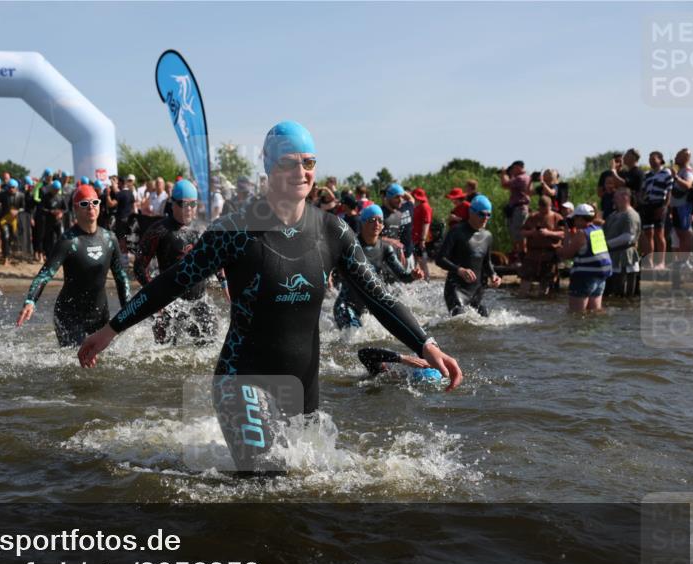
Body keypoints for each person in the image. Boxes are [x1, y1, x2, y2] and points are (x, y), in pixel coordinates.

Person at [78, 121, 461, 474]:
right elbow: (172, 282)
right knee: (267, 481)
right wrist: (112, 329)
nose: (301, 172)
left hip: (303, 386)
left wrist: (425, 344)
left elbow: (377, 296)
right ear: (269, 168)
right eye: (289, 163)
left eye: (308, 162)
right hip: (241, 380)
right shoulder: (234, 230)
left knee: (302, 485)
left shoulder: (333, 231)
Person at [16, 185, 130, 347]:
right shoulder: (67, 241)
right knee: (74, 363)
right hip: (69, 316)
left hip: (99, 315)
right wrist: (30, 301)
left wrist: (129, 311)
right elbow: (44, 275)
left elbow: (121, 277)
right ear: (75, 209)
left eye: (95, 202)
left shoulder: (109, 238)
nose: (91, 207)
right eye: (84, 204)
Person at [134, 179, 221, 346]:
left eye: (192, 204)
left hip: (199, 302)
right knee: (165, 353)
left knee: (211, 347)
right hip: (170, 304)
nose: (188, 209)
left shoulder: (202, 229)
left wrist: (224, 284)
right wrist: (156, 298)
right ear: (172, 204)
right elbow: (139, 267)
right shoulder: (158, 230)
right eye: (183, 204)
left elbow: (217, 260)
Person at [333, 204, 423, 329]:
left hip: (371, 308)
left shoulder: (386, 248)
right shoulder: (350, 246)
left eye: (380, 220)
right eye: (372, 220)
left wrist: (413, 275)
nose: (376, 224)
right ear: (363, 222)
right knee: (355, 336)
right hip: (347, 305)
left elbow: (402, 276)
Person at [436, 194, 502, 317]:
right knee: (460, 322)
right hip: (456, 290)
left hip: (477, 291)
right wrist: (459, 270)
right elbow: (440, 259)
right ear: (471, 213)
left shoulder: (487, 236)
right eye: (482, 214)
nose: (485, 218)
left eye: (489, 214)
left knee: (485, 321)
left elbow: (486, 262)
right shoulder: (456, 231)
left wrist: (494, 275)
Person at [557, 203, 612, 313]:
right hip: (600, 277)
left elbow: (567, 254)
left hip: (584, 277)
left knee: (576, 315)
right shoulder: (597, 230)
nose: (573, 221)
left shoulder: (581, 233)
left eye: (575, 218)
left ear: (580, 218)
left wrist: (565, 236)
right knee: (594, 313)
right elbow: (587, 250)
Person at [518, 196, 564, 297]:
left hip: (549, 254)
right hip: (532, 253)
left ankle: (542, 303)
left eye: (545, 209)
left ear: (550, 206)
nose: (543, 212)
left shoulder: (557, 217)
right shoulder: (532, 217)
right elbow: (522, 232)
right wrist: (532, 232)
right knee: (525, 280)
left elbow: (564, 234)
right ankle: (522, 300)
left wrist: (549, 233)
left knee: (545, 284)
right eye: (541, 209)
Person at [603, 187, 641, 298]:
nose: (613, 200)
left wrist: (606, 244)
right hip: (612, 257)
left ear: (625, 197)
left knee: (623, 297)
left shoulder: (631, 215)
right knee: (611, 295)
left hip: (625, 258)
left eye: (616, 197)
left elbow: (628, 237)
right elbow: (604, 231)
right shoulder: (613, 215)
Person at [640, 151, 674, 269]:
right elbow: (643, 189)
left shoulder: (666, 172)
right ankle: (649, 261)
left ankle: (661, 262)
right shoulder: (647, 174)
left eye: (653, 158)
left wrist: (665, 206)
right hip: (648, 204)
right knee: (648, 233)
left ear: (660, 159)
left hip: (660, 203)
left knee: (659, 234)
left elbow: (669, 191)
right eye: (649, 158)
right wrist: (641, 200)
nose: (650, 160)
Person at [669, 148, 693, 263]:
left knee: (685, 234)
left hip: (683, 207)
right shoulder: (681, 171)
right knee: (679, 234)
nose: (675, 158)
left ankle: (685, 261)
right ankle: (681, 261)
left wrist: (676, 177)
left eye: (678, 156)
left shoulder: (687, 172)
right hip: (677, 207)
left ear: (685, 158)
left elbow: (689, 185)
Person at [500, 161, 531, 259]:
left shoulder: (521, 178)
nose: (512, 171)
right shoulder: (526, 177)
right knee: (516, 233)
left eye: (513, 168)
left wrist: (504, 174)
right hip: (517, 208)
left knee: (519, 233)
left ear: (518, 167)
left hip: (519, 209)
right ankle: (519, 255)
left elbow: (505, 184)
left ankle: (521, 256)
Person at [411, 187, 432, 279]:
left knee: (422, 261)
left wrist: (422, 239)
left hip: (421, 239)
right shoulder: (418, 207)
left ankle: (427, 280)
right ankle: (414, 279)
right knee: (415, 260)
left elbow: (426, 223)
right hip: (415, 239)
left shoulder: (425, 207)